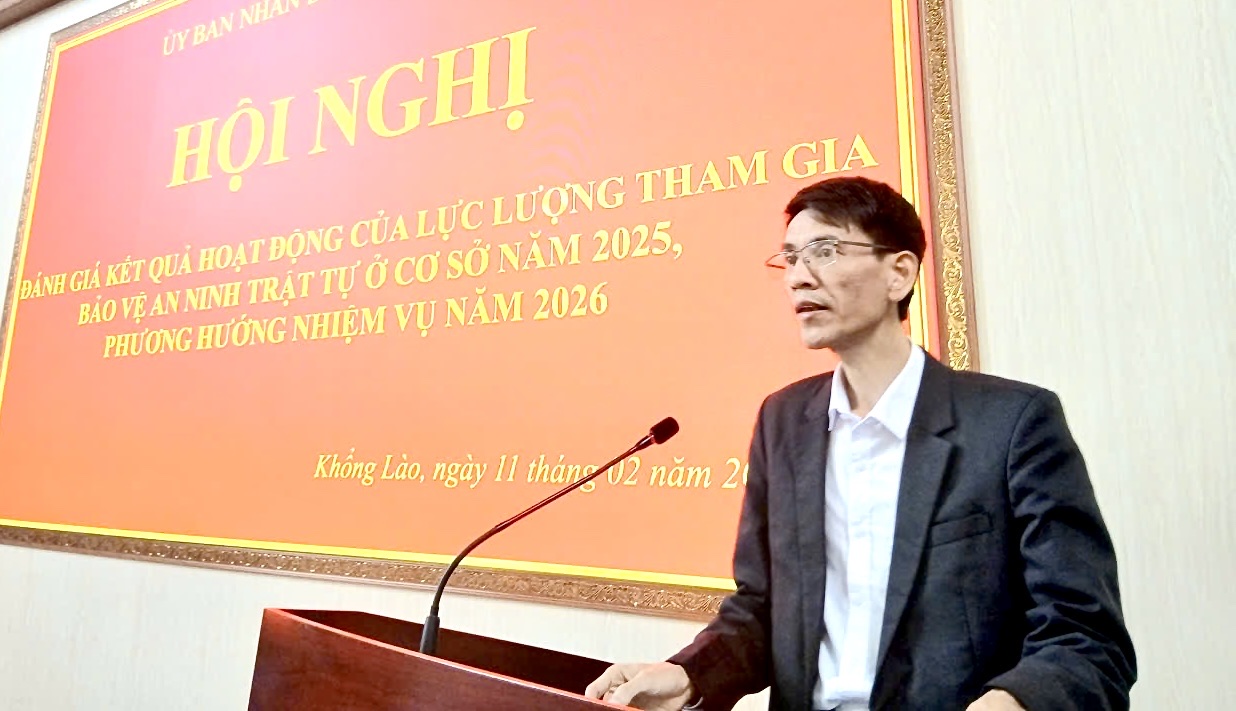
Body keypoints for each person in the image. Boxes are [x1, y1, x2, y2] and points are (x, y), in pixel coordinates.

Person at [585, 176, 1136, 710]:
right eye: (790, 258)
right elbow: (761, 609)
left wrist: (1013, 701)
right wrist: (688, 675)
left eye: (824, 251)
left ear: (899, 273)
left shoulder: (1012, 424)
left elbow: (1086, 636)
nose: (799, 278)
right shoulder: (784, 421)